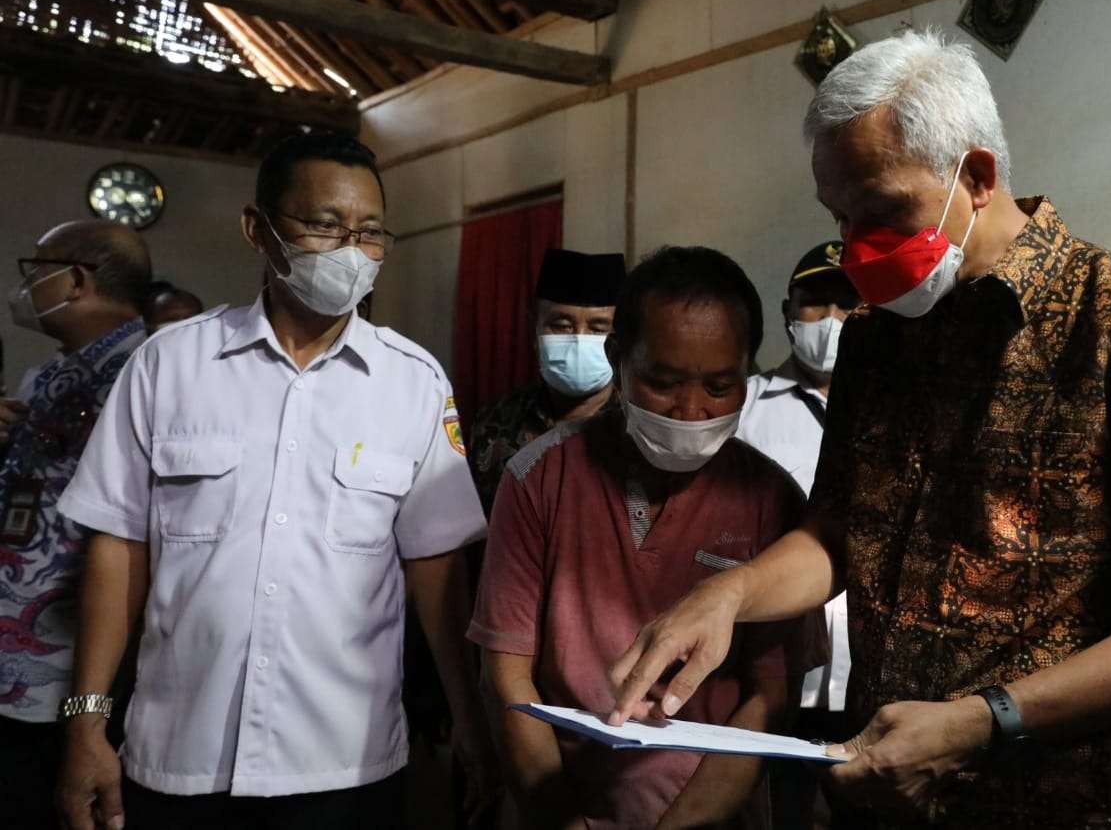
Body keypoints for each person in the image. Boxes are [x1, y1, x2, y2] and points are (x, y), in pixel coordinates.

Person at [607, 29, 1111, 829]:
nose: (853, 252)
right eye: (839, 217)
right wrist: (729, 594)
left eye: (881, 212)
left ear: (978, 176)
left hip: (1054, 805)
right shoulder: (879, 339)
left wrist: (985, 719)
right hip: (875, 790)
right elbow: (843, 529)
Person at [54, 133, 499, 830]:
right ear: (256, 228)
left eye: (371, 231)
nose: (350, 249)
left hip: (346, 765)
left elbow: (436, 570)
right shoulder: (169, 365)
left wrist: (470, 718)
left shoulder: (413, 383)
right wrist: (86, 721)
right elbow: (118, 548)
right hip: (179, 756)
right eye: (323, 224)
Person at [469, 245, 826, 830]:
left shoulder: (770, 499)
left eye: (719, 386)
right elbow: (507, 673)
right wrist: (560, 816)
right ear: (619, 357)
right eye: (662, 382)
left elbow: (768, 698)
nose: (690, 411)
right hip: (565, 806)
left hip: (713, 813)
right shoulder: (540, 478)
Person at [0, 221, 151, 829]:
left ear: (78, 279)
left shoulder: (145, 371)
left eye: (37, 271)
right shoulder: (47, 373)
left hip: (73, 669)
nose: (28, 287)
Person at [735, 241, 859, 827]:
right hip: (774, 664)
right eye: (815, 302)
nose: (831, 319)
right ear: (788, 309)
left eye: (848, 302)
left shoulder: (895, 413)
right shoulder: (746, 409)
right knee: (778, 812)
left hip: (870, 667)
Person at [469, 248, 626, 515]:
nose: (579, 339)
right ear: (534, 328)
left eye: (598, 328)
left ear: (622, 338)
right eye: (562, 325)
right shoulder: (494, 422)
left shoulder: (638, 427)